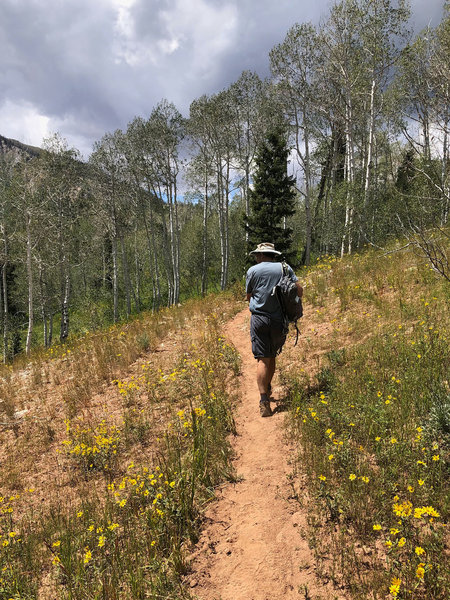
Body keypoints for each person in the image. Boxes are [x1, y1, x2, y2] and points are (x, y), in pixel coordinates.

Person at [246, 242, 303, 417]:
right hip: (279, 320)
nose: (256, 258)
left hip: (259, 319)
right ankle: (268, 386)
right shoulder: (285, 268)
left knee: (263, 359)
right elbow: (299, 291)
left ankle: (264, 400)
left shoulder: (252, 271)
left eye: (257, 255)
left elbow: (248, 296)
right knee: (272, 355)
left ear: (263, 255)